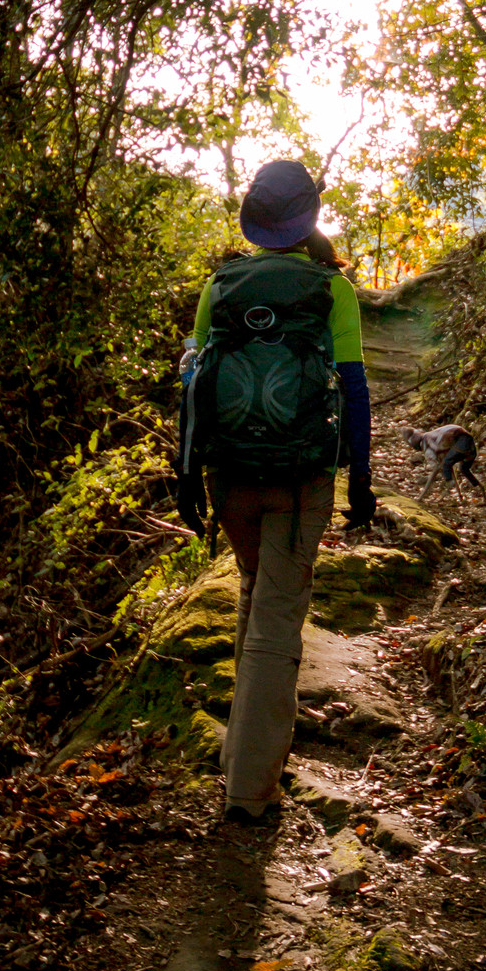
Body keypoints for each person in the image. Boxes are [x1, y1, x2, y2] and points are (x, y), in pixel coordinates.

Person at [179, 160, 375, 825]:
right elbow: (352, 392)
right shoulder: (331, 289)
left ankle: (243, 757)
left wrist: (186, 475)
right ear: (309, 219)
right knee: (276, 623)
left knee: (256, 594)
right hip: (298, 481)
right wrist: (363, 485)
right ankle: (249, 793)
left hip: (229, 475)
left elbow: (193, 382)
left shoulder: (220, 285)